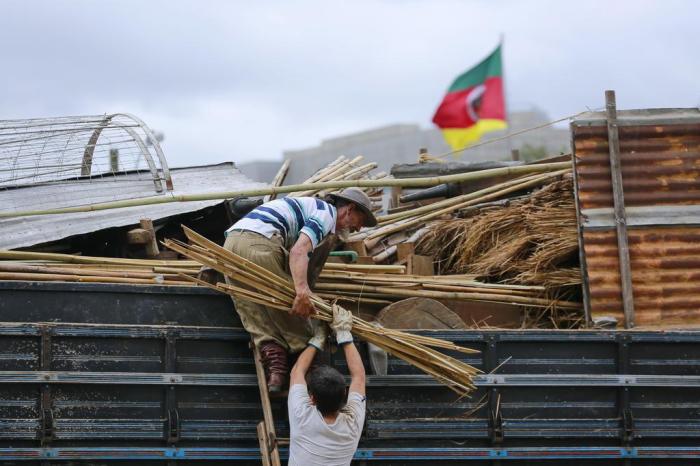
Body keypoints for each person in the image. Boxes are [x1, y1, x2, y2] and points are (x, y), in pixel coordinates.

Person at [223, 188, 377, 392]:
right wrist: (302, 291)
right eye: (360, 220)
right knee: (294, 308)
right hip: (258, 244)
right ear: (349, 209)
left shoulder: (310, 208)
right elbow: (299, 251)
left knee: (253, 310)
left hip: (230, 245)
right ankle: (312, 376)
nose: (358, 228)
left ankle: (276, 371)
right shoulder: (326, 213)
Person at [288, 304, 366, 466]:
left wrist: (319, 338)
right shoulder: (352, 425)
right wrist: (343, 333)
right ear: (344, 394)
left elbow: (297, 371)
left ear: (312, 399)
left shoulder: (302, 416)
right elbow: (358, 377)